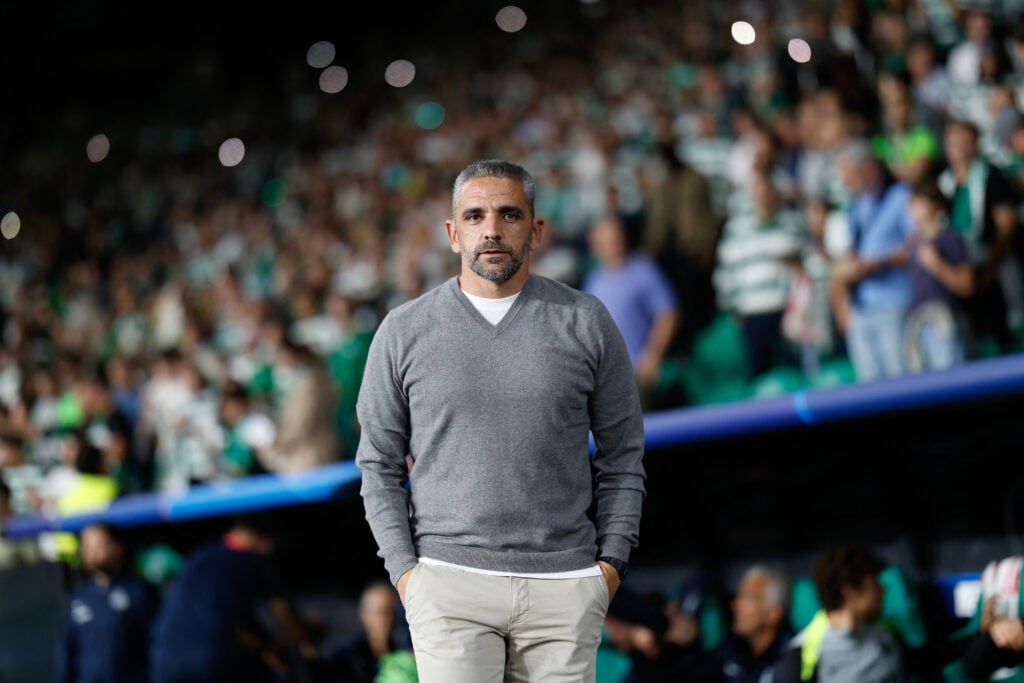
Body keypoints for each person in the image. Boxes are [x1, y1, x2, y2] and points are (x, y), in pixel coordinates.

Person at [355, 159, 646, 683]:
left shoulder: (586, 321)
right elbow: (377, 465)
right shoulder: (402, 331)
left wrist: (608, 569)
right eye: (474, 216)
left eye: (509, 214)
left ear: (536, 230)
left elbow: (624, 455)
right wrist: (406, 574)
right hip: (448, 585)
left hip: (566, 584)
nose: (491, 229)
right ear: (452, 233)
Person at [149, 514, 319, 683]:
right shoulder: (250, 560)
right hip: (210, 659)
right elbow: (285, 615)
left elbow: (237, 624)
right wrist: (306, 643)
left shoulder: (198, 556)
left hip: (164, 659)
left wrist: (265, 646)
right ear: (264, 539)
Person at [936, 118, 1022, 357]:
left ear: (976, 144)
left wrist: (991, 266)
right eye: (954, 143)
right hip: (962, 266)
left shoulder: (991, 176)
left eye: (965, 141)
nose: (960, 148)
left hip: (995, 264)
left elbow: (1006, 224)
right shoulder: (944, 183)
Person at [832, 141, 913, 382]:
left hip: (894, 304)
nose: (846, 183)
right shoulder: (855, 207)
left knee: (902, 382)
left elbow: (917, 244)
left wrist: (878, 264)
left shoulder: (902, 196)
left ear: (869, 168)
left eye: (850, 175)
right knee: (870, 387)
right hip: (862, 309)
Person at [582, 213, 680, 409]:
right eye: (608, 237)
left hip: (638, 376)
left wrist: (652, 357)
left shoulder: (643, 270)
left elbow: (668, 314)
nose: (615, 240)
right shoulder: (593, 281)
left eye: (617, 234)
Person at [776, 545, 906, 683]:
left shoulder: (888, 633)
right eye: (874, 583)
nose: (883, 590)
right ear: (849, 591)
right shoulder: (802, 656)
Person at [56, 522, 160, 683]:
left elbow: (156, 642)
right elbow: (67, 650)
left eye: (99, 545)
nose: (93, 552)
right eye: (87, 546)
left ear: (118, 547)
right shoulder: (79, 598)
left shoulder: (137, 591)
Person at [903, 176, 975, 373]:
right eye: (912, 203)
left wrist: (937, 265)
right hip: (920, 324)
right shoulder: (913, 243)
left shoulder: (950, 238)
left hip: (945, 324)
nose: (913, 209)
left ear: (936, 206)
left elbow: (967, 285)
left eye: (919, 203)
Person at [315, 580, 416, 683]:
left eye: (391, 611)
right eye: (379, 612)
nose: (386, 618)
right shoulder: (346, 659)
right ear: (364, 614)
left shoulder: (407, 649)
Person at [714, 564, 795, 683]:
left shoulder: (796, 657)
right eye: (738, 596)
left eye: (748, 598)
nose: (736, 606)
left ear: (773, 613)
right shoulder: (728, 650)